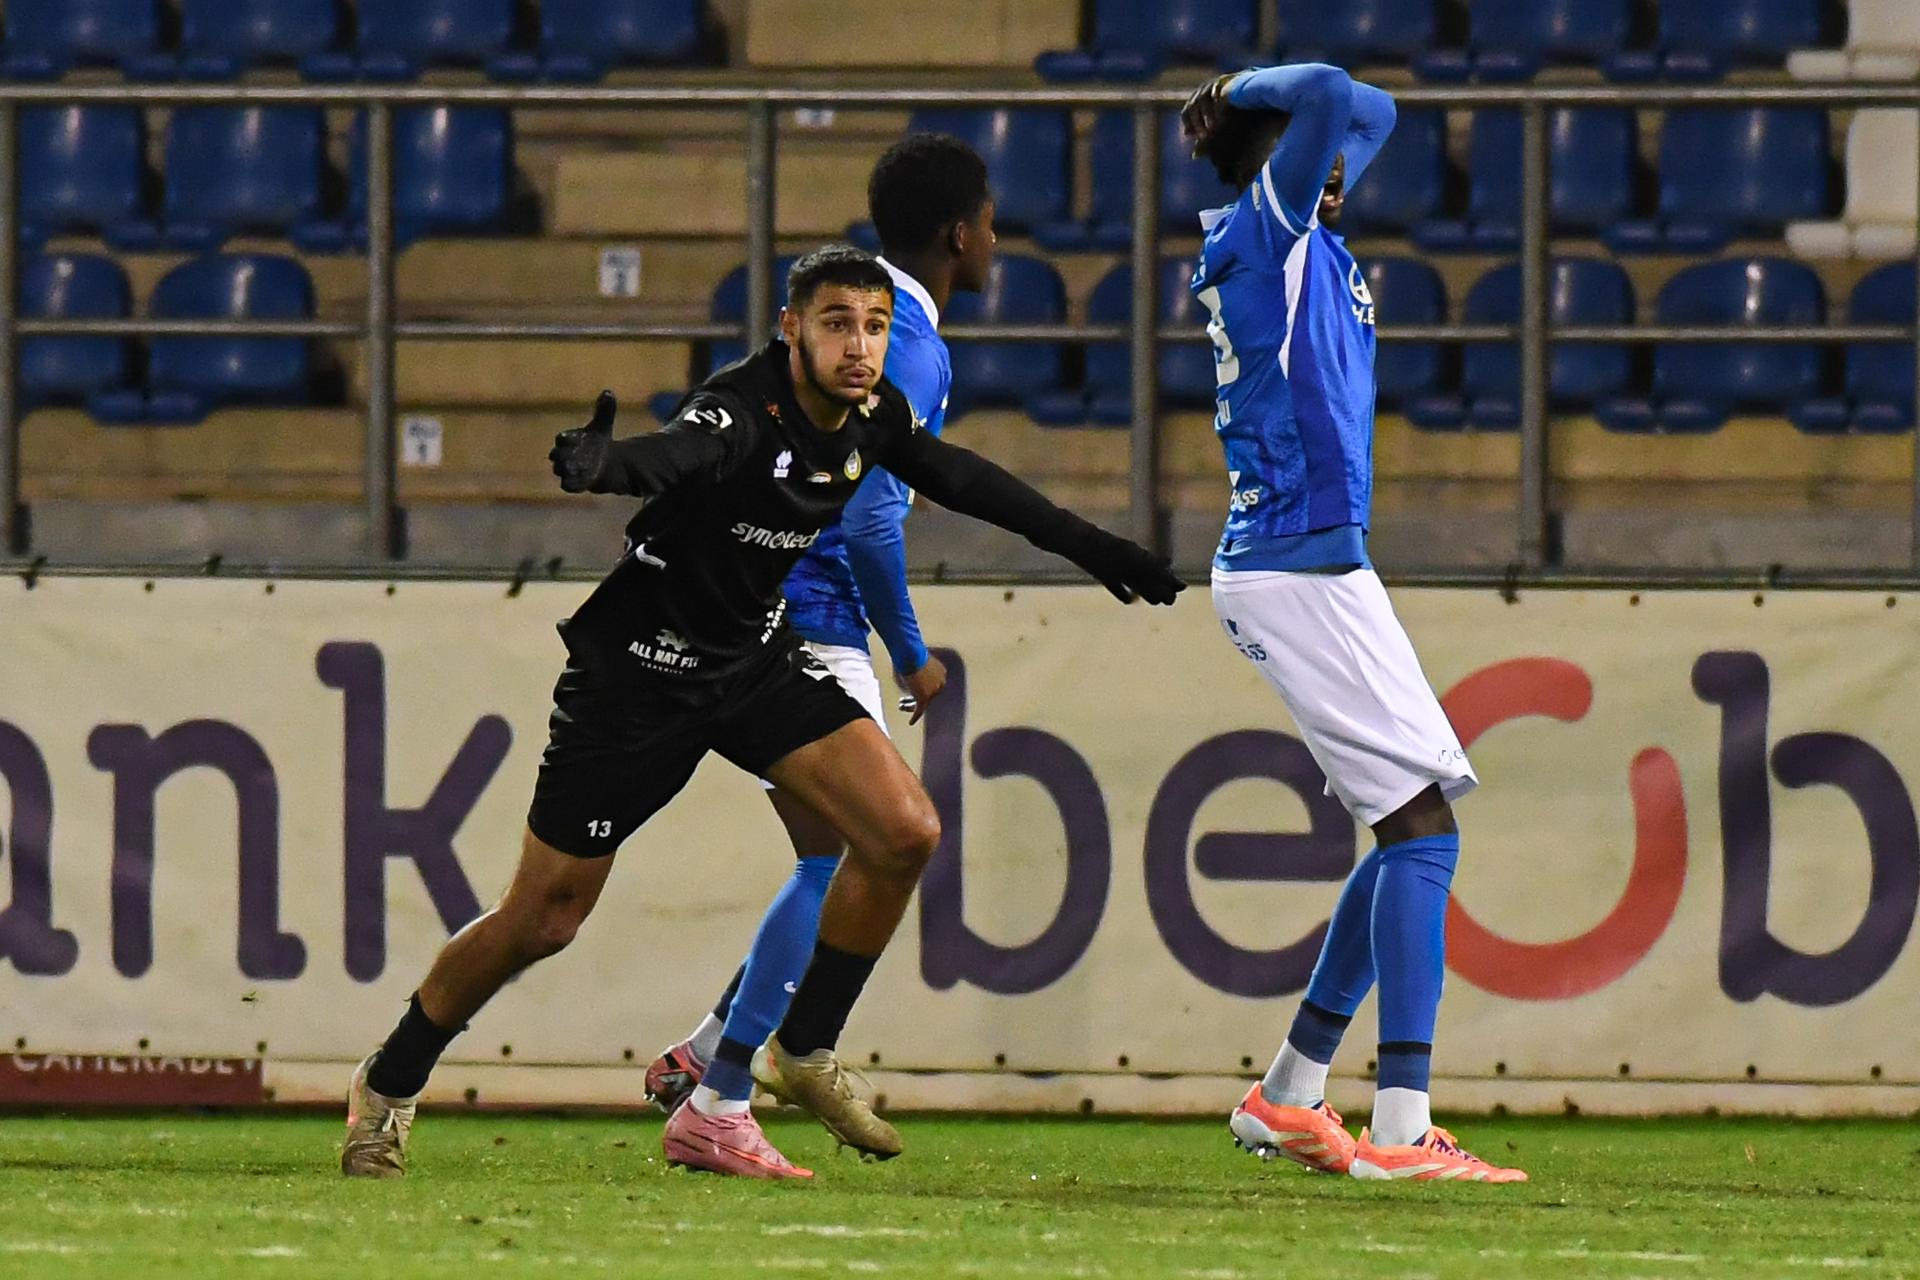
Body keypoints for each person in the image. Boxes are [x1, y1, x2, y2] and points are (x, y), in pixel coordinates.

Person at [340, 245, 1182, 1182]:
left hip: (749, 662)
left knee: (903, 832)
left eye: (873, 326)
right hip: (639, 677)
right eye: (836, 324)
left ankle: (804, 1047)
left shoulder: (872, 414)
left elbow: (971, 480)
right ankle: (388, 1081)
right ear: (791, 330)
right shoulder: (744, 409)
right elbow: (679, 451)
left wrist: (1098, 547)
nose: (860, 345)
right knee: (542, 919)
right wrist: (609, 465)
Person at [1181, 63, 1525, 1183]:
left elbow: (1369, 111)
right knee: (1425, 832)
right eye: (1308, 151)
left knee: (1409, 825)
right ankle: (1398, 1123)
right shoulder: (1264, 230)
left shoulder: (1295, 220)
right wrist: (1240, 85)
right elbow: (1331, 88)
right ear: (1274, 157)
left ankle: (1290, 1092)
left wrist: (1266, 117)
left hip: (1314, 563)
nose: (1339, 165)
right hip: (1298, 565)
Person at [641, 135, 993, 1160]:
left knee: (826, 856)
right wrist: (913, 650)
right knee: (859, 852)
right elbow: (876, 520)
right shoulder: (908, 345)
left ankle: (707, 1051)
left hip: (755, 597)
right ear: (960, 234)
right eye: (992, 225)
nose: (999, 242)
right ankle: (721, 1096)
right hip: (811, 611)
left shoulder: (852, 315)